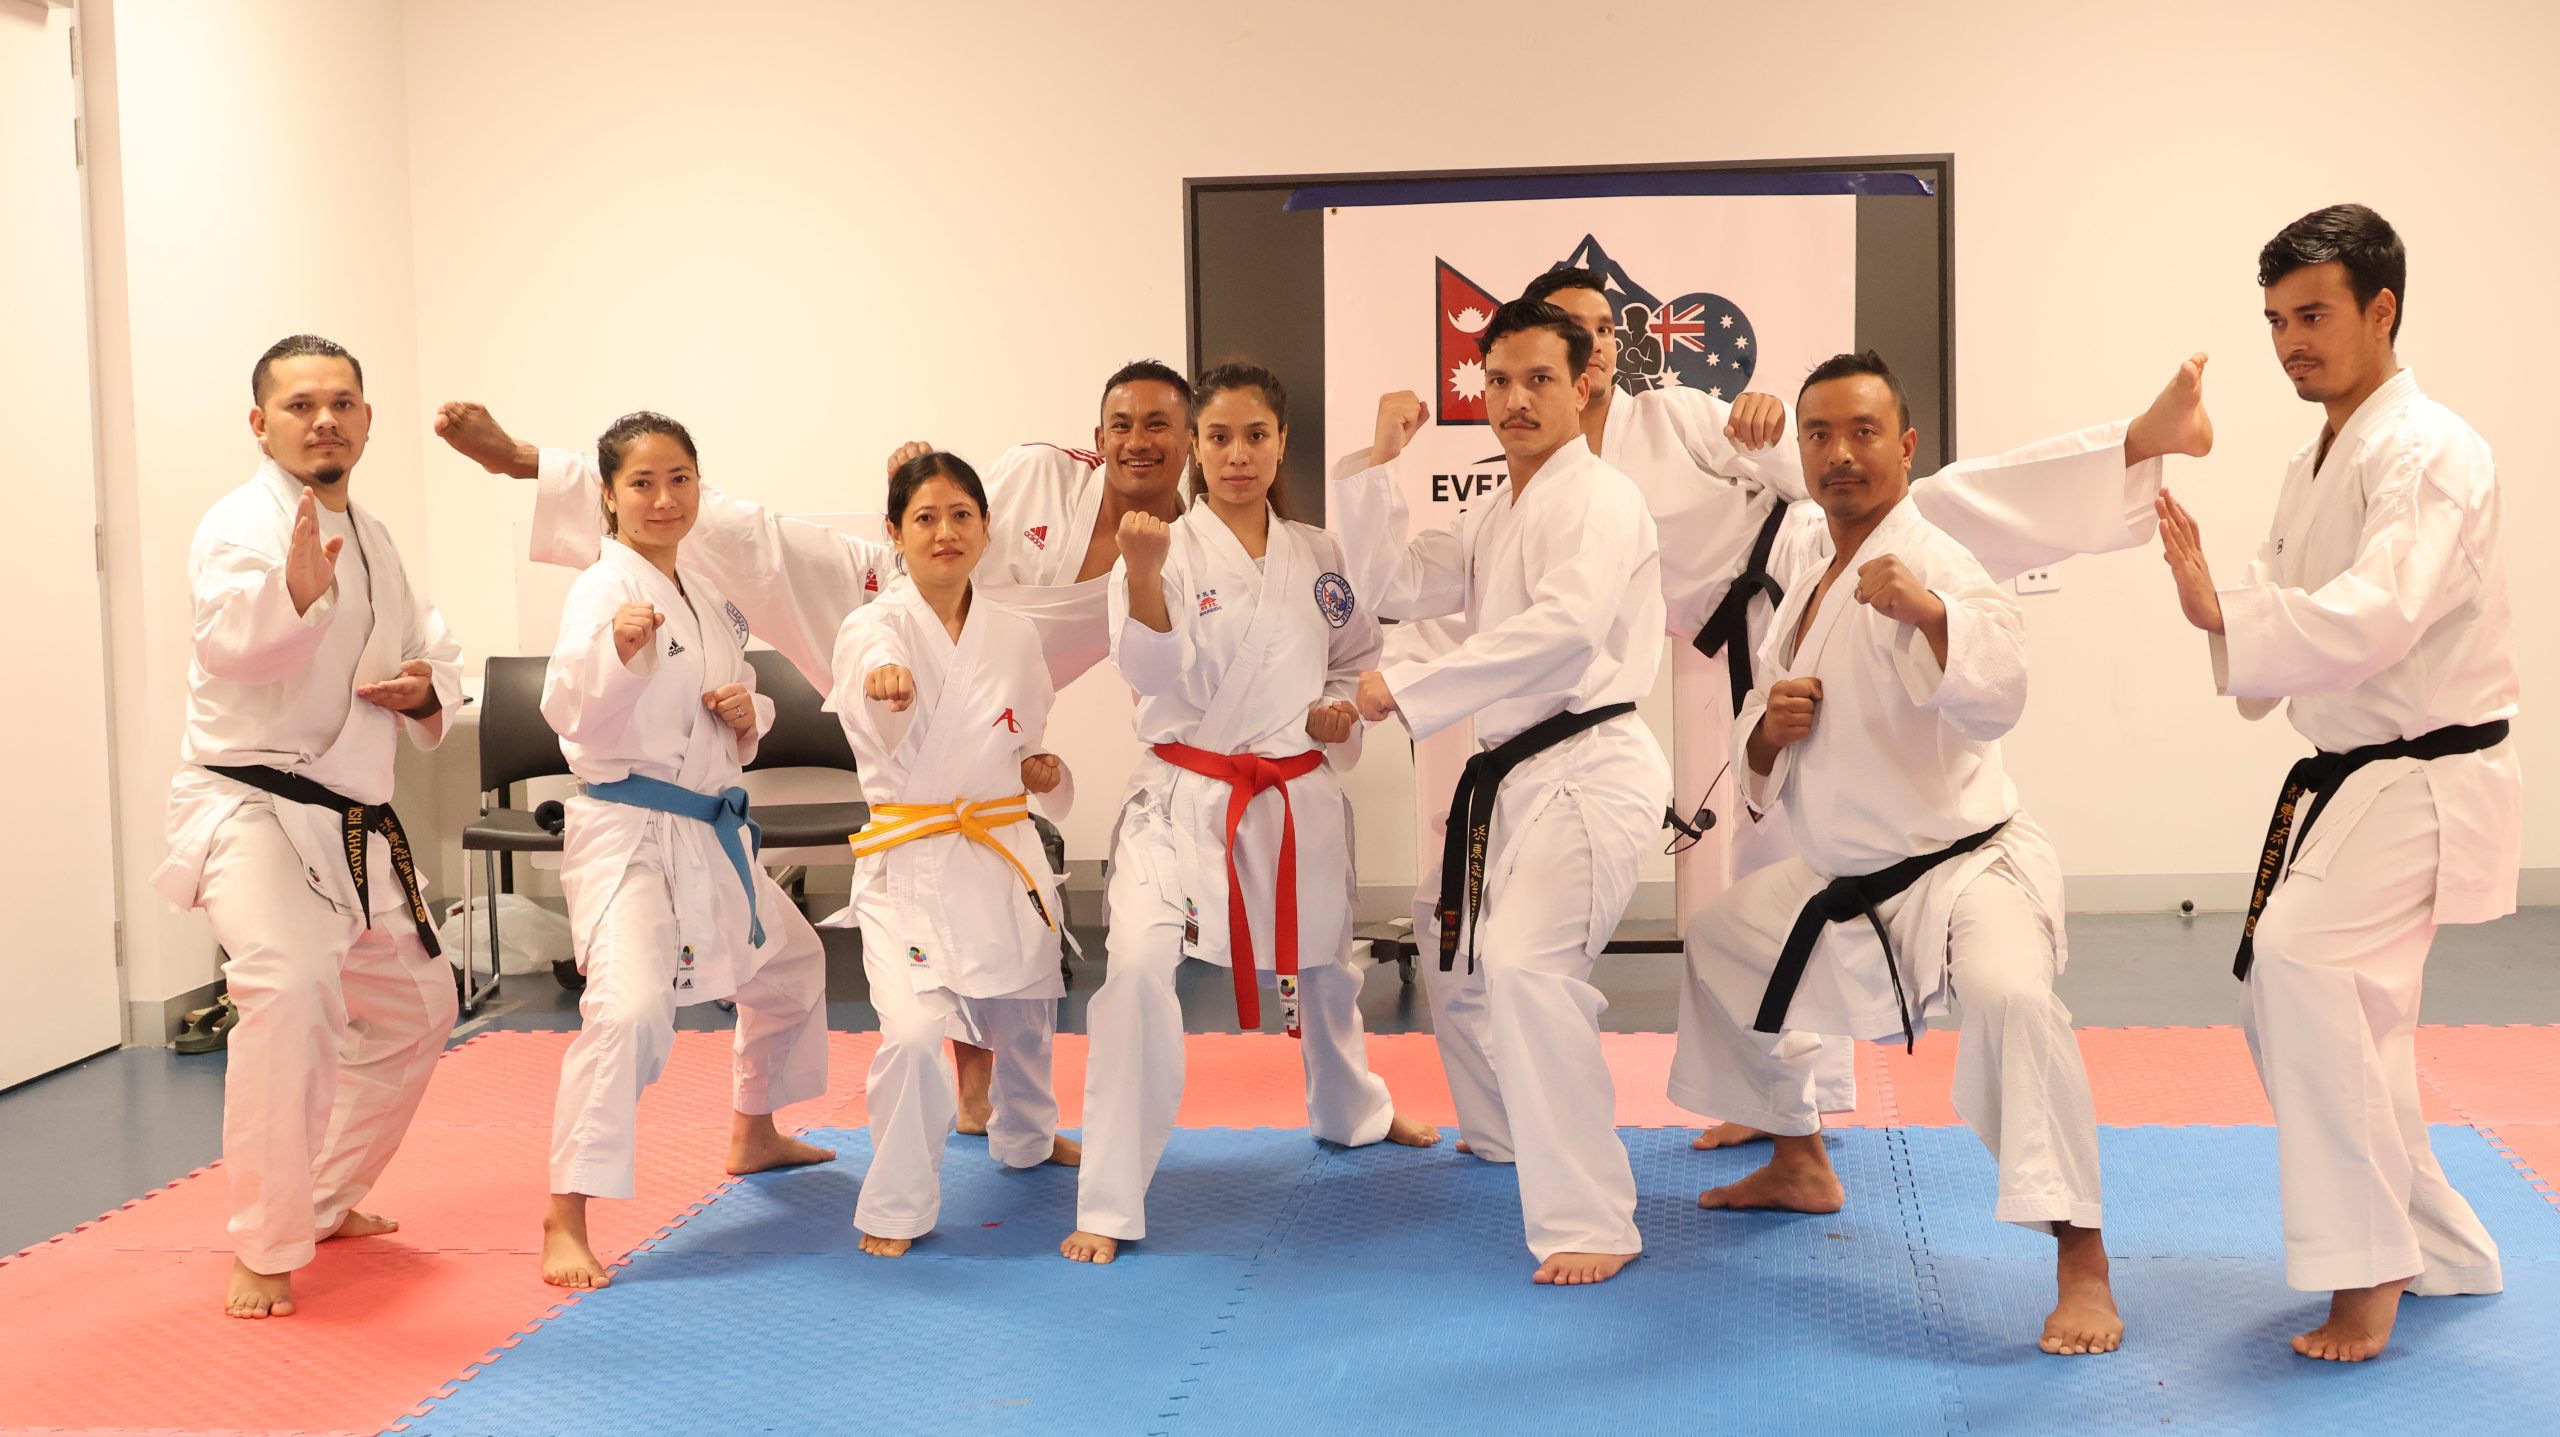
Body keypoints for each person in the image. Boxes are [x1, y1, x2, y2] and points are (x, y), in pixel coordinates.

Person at [1343, 266, 2216, 1151]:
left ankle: (2138, 444)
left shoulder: (1672, 414)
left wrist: (1763, 427)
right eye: (1572, 331)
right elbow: (1467, 606)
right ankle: (1792, 1108)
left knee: (1941, 505)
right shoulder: (1529, 488)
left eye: (1605, 329)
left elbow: (1805, 468)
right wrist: (1386, 667)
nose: (1594, 345)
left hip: (1794, 559)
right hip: (1745, 644)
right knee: (1779, 873)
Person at [433, 363, 1195, 1130]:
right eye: (1122, 424)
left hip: (988, 679)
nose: (1137, 441)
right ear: (1099, 434)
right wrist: (913, 485)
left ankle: (976, 1091)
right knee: (757, 539)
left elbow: (1161, 668)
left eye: (1159, 425)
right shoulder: (1044, 471)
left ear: (1189, 441)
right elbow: (950, 512)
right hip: (890, 604)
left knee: (981, 884)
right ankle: (530, 462)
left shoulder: (1185, 553)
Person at [1669, 351, 2121, 1356]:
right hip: (1849, 874)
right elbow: (1758, 739)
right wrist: (1766, 733)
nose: (1839, 454)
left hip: (1965, 866)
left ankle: (2082, 1258)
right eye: (1820, 435)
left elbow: (2001, 688)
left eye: (1863, 432)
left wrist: (1930, 614)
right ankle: (1799, 1158)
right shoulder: (1807, 574)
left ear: (1906, 447)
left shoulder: (1937, 559)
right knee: (1723, 938)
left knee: (2012, 1001)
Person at [2155, 203, 2514, 1362]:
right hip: (2356, 778)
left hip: (2424, 772)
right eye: (2274, 321)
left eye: (2311, 315)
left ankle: (2369, 1267)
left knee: (2302, 969)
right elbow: (2281, 609)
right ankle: (2440, 1247)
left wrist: (2231, 614)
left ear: (2381, 309)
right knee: (2336, 1013)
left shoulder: (2431, 449)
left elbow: (2380, 611)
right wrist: (2222, 608)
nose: (2289, 342)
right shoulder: (2312, 460)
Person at [1062, 364, 1438, 1265]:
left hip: (1293, 791)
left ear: (1281, 443)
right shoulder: (1161, 546)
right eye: (1220, 437)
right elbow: (1151, 674)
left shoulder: (1320, 554)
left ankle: (1352, 1108)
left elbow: (1354, 655)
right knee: (1136, 974)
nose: (1238, 454)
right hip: (1182, 800)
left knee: (1325, 966)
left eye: (1256, 436)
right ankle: (1111, 1196)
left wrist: (1337, 708)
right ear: (1196, 447)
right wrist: (1143, 575)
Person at [1338, 301, 1669, 1285]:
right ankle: (1506, 1130)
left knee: (1527, 967)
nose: (1516, 399)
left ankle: (1593, 1218)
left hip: (1590, 767)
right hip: (1515, 775)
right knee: (1447, 941)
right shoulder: (1497, 508)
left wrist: (1410, 688)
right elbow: (1393, 586)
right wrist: (1375, 470)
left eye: (1539, 380)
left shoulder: (1599, 498)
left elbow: (1566, 632)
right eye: (1499, 381)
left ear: (1584, 384)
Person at [151, 335, 462, 1318]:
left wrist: (424, 690)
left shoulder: (375, 535)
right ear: (261, 424)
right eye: (299, 405)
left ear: (366, 419)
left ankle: (322, 1197)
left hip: (350, 819)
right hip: (252, 805)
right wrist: (293, 592)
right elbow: (227, 647)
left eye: (341, 403)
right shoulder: (237, 526)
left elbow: (430, 650)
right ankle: (266, 1242)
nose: (323, 420)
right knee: (288, 994)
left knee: (421, 1008)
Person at [536, 412, 836, 1289]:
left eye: (679, 479)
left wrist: (748, 713)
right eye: (642, 483)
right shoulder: (601, 590)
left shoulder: (704, 589)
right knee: (629, 1011)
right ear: (608, 495)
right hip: (629, 833)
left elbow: (736, 694)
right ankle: (565, 1211)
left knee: (791, 964)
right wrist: (619, 654)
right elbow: (569, 711)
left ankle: (755, 1128)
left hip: (708, 828)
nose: (664, 499)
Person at [829, 450, 1082, 1256]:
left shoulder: (1014, 633)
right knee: (911, 1033)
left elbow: (1026, 739)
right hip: (909, 858)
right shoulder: (873, 627)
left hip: (999, 841)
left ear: (986, 526)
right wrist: (884, 678)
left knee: (1028, 999)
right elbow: (871, 671)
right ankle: (898, 1201)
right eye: (926, 518)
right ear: (895, 532)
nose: (946, 532)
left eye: (962, 515)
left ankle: (1027, 1131)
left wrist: (1041, 768)